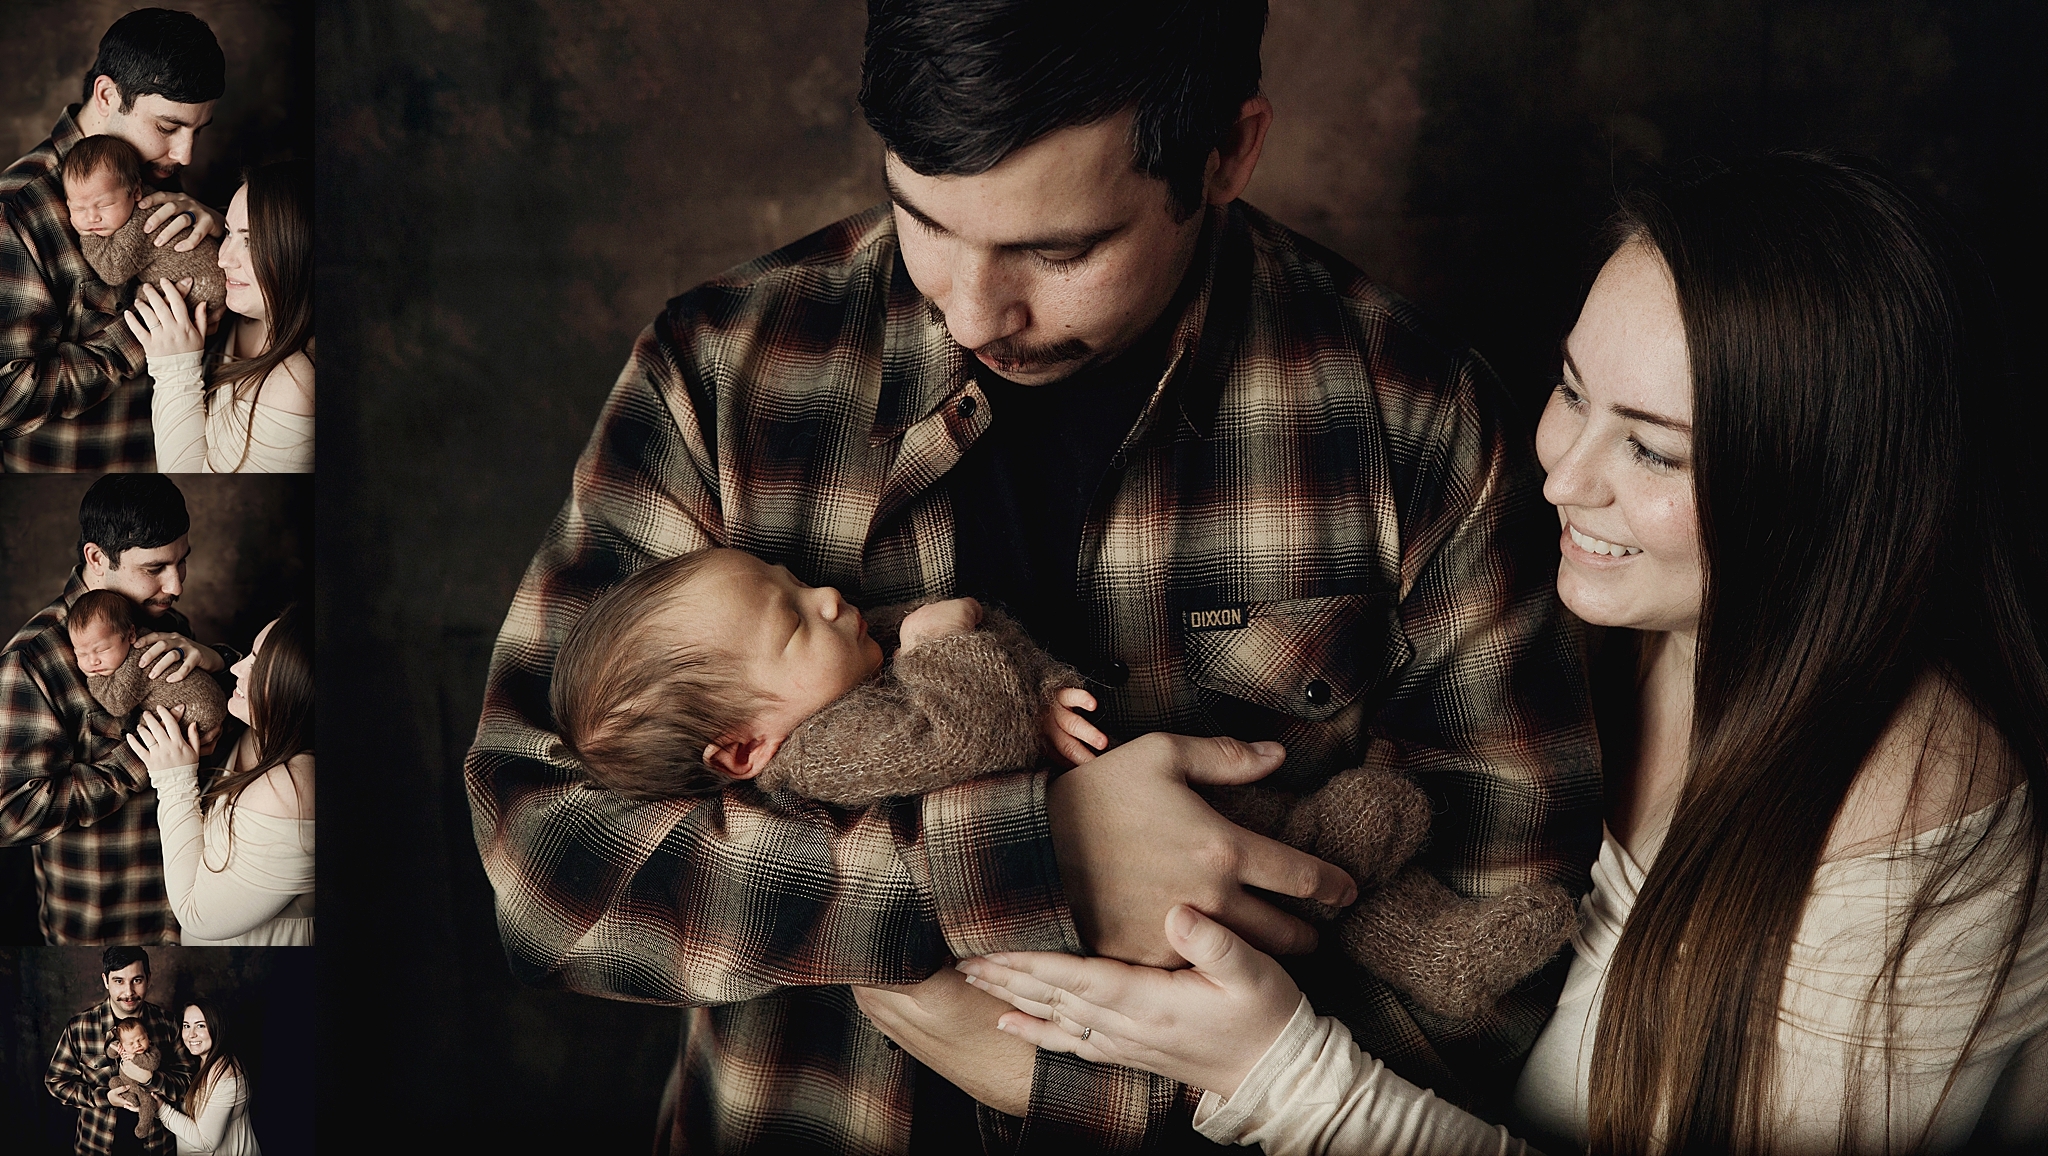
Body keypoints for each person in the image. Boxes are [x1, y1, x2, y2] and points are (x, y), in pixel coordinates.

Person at [466, 1, 1598, 1149]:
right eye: (922, 220)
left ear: (1226, 153)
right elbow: (545, 862)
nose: (967, 309)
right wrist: (1037, 850)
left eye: (1059, 253)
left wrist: (1092, 1094)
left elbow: (1491, 944)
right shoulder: (724, 370)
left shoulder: (1413, 418)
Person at [958, 153, 2048, 1154]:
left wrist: (1275, 1070)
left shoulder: (1912, 804)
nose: (1563, 477)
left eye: (1650, 449)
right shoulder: (1615, 630)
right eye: (1571, 390)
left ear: (1828, 495)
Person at [551, 546, 1102, 802]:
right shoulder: (823, 754)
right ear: (746, 749)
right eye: (793, 621)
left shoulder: (848, 661)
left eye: (793, 580)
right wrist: (942, 642)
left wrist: (1038, 695)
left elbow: (982, 640)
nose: (829, 598)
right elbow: (963, 738)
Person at [0, 475, 236, 944]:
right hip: (102, 921)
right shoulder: (31, 660)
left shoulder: (164, 621)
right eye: (155, 568)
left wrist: (218, 659)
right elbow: (10, 813)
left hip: (193, 902)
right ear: (96, 558)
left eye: (181, 563)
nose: (177, 585)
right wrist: (147, 756)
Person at [0, 8, 226, 472]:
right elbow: (7, 397)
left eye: (197, 131)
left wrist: (228, 231)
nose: (185, 154)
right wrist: (146, 335)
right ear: (107, 94)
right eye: (167, 127)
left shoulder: (153, 177)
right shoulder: (18, 208)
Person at [129, 603, 314, 945]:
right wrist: (219, 661)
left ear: (298, 686)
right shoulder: (263, 727)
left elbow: (196, 915)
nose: (238, 666)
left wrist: (174, 780)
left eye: (257, 661)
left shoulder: (294, 788)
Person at [126, 159, 314, 473]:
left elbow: (188, 478)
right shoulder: (244, 311)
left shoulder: (297, 384)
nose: (223, 258)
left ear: (299, 249)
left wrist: (175, 368)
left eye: (250, 240)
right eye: (227, 232)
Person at [46, 946, 194, 1156]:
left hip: (156, 1146)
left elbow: (189, 1083)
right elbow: (56, 1082)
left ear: (149, 979)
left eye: (137, 980)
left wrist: (151, 1079)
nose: (129, 992)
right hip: (96, 1145)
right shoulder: (79, 1027)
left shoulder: (168, 1024)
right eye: (119, 981)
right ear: (106, 980)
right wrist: (104, 1097)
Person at [62, 135, 225, 311]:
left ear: (136, 192)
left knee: (143, 302)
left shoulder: (141, 224)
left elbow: (112, 272)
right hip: (207, 277)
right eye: (79, 208)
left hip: (202, 285)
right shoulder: (132, 198)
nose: (92, 217)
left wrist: (88, 236)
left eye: (104, 205)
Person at [70, 589, 228, 731]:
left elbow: (116, 704)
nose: (92, 661)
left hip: (198, 710)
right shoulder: (142, 636)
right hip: (213, 700)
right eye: (81, 654)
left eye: (102, 650)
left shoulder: (138, 662)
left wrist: (94, 678)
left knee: (145, 731)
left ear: (131, 635)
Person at [154, 999, 260, 1156]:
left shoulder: (225, 1072)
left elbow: (207, 1142)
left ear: (216, 1027)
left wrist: (160, 1108)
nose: (191, 1034)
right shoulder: (202, 1062)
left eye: (201, 1025)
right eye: (186, 1026)